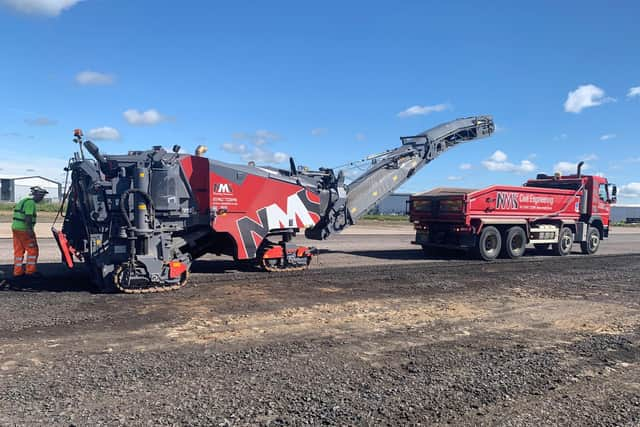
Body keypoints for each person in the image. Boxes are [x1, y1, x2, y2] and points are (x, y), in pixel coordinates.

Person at [12, 186, 48, 277]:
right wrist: (30, 230)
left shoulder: (23, 201)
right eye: (41, 196)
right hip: (24, 230)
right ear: (37, 195)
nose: (42, 198)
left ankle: (18, 272)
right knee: (33, 250)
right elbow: (28, 217)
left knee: (18, 251)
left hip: (16, 228)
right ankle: (30, 272)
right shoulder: (31, 203)